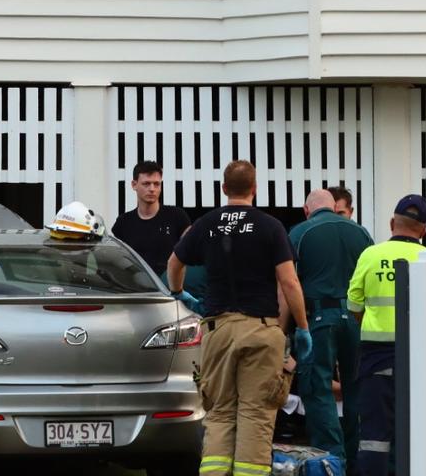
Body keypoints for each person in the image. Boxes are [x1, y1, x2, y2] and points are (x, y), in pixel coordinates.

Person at [166, 160, 314, 476]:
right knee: (256, 414)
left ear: (223, 188)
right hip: (261, 331)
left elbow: (174, 263)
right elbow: (289, 282)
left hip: (218, 330)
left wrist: (179, 293)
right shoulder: (271, 226)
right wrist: (302, 327)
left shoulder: (206, 224)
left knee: (218, 413)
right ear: (255, 188)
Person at [287, 189, 373, 470]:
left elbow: (289, 283)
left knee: (318, 388)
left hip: (319, 319)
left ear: (306, 209)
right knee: (356, 388)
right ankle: (358, 459)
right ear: (334, 206)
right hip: (356, 319)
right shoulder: (361, 233)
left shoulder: (300, 233)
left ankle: (332, 461)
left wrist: (286, 328)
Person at [348, 194, 426, 476]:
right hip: (419, 358)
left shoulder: (370, 255)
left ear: (392, 222)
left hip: (376, 357)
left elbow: (353, 305)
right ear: (424, 230)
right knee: (417, 430)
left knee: (374, 436)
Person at [112, 160, 191, 276]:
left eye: (156, 184)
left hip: (170, 287)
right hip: (137, 289)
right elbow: (116, 260)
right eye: (146, 184)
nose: (152, 189)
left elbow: (193, 250)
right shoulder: (123, 222)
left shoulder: (177, 216)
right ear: (134, 185)